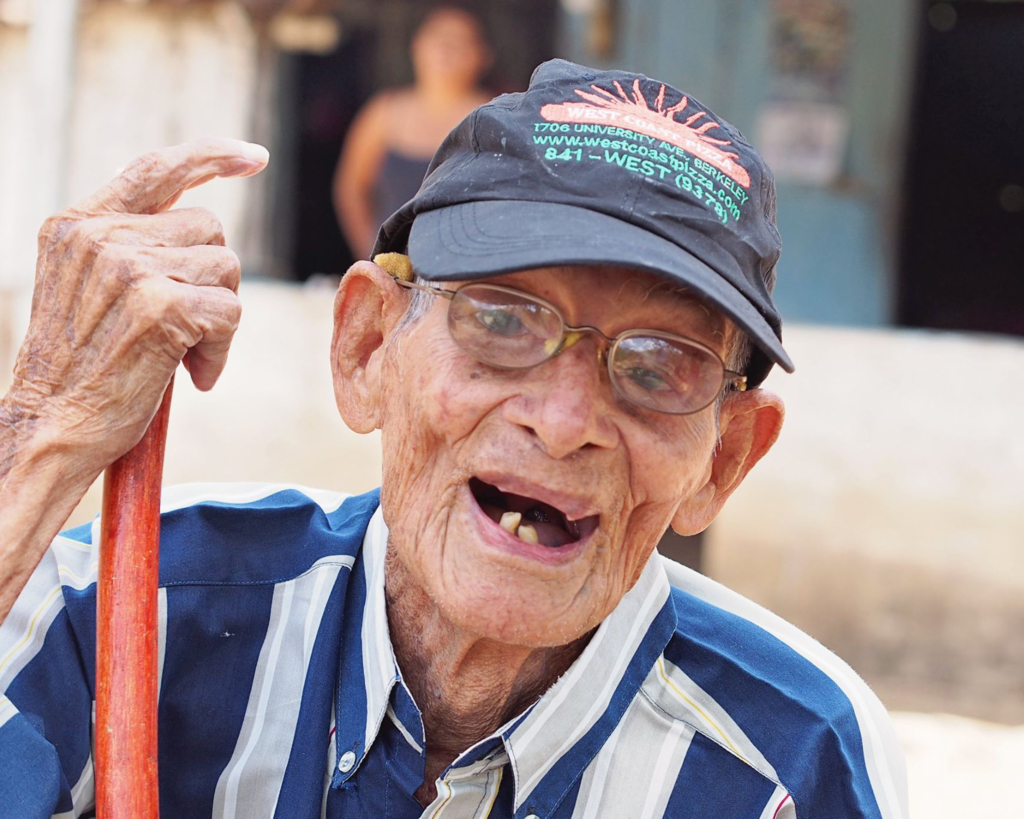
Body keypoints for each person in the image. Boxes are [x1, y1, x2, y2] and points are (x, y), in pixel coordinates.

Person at [0, 61, 907, 818]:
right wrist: (43, 431)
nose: (561, 423)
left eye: (659, 367)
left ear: (724, 459)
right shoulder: (123, 611)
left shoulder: (792, 766)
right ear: (366, 347)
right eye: (503, 321)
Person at [333, 4, 492, 257]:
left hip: (462, 271)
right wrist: (371, 251)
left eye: (460, 40)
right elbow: (351, 189)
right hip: (391, 268)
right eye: (437, 36)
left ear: (482, 56)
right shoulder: (383, 113)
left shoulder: (495, 117)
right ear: (416, 45)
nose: (446, 48)